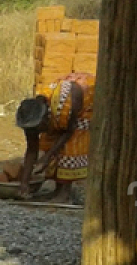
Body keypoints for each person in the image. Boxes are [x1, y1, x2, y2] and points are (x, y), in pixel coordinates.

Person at [16, 71, 94, 204]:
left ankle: (65, 194)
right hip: (61, 118)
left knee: (69, 148)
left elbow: (68, 131)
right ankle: (57, 191)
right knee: (49, 143)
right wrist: (24, 183)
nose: (35, 132)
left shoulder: (65, 104)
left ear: (45, 119)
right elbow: (31, 149)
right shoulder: (31, 116)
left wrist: (47, 158)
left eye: (38, 129)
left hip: (84, 106)